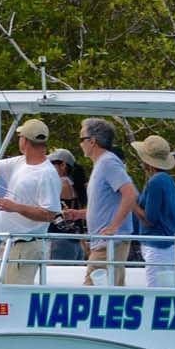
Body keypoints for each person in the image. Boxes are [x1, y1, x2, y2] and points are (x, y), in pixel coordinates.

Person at [0, 119, 62, 284]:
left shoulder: (47, 173)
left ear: (24, 141)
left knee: (14, 299)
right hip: (9, 244)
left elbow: (50, 214)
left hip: (26, 246)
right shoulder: (20, 161)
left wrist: (15, 207)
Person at [68, 117, 138, 287]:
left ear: (92, 141)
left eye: (81, 139)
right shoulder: (103, 163)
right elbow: (106, 205)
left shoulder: (108, 162)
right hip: (105, 245)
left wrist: (114, 226)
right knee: (110, 295)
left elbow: (130, 193)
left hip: (108, 245)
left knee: (91, 295)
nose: (80, 144)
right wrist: (79, 214)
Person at [131, 135, 175, 287]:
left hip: (156, 247)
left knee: (155, 292)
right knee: (165, 291)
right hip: (166, 246)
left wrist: (131, 204)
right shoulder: (167, 180)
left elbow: (149, 219)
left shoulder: (155, 182)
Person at [47, 148, 88, 264]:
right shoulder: (74, 185)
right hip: (75, 241)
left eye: (51, 164)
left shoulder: (60, 184)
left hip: (60, 241)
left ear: (63, 165)